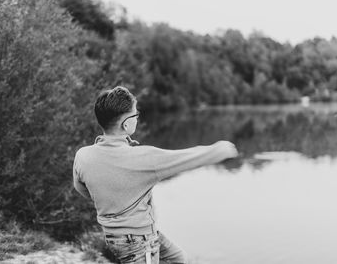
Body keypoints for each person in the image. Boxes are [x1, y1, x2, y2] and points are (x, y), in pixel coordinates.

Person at [73, 86, 238, 264]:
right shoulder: (143, 158)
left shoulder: (83, 155)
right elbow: (187, 158)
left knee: (177, 258)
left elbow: (80, 187)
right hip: (138, 240)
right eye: (135, 115)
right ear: (126, 124)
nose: (137, 118)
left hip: (115, 236)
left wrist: (111, 199)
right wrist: (221, 150)